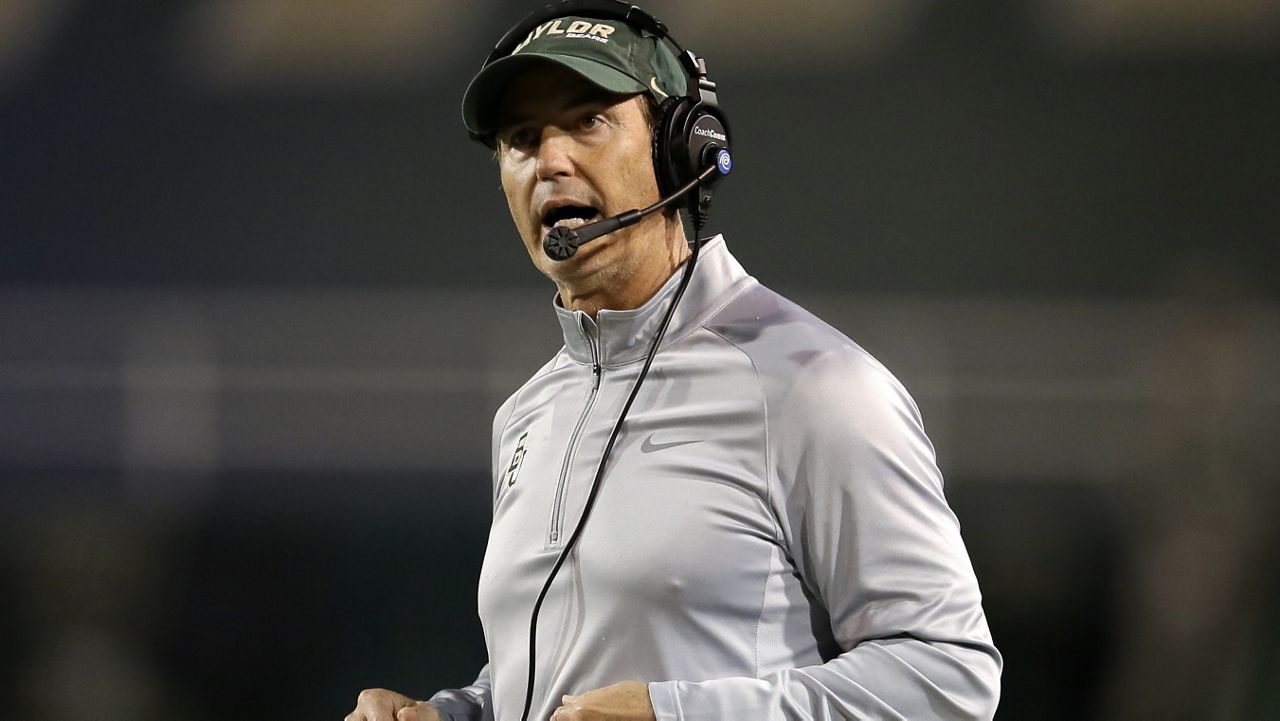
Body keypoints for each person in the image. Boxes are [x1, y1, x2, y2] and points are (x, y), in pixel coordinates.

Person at [348, 2, 1001, 720]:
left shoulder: (814, 385)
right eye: (521, 138)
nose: (551, 161)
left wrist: (681, 713)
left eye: (588, 120)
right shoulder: (528, 413)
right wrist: (457, 712)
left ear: (680, 146)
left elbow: (949, 674)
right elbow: (565, 667)